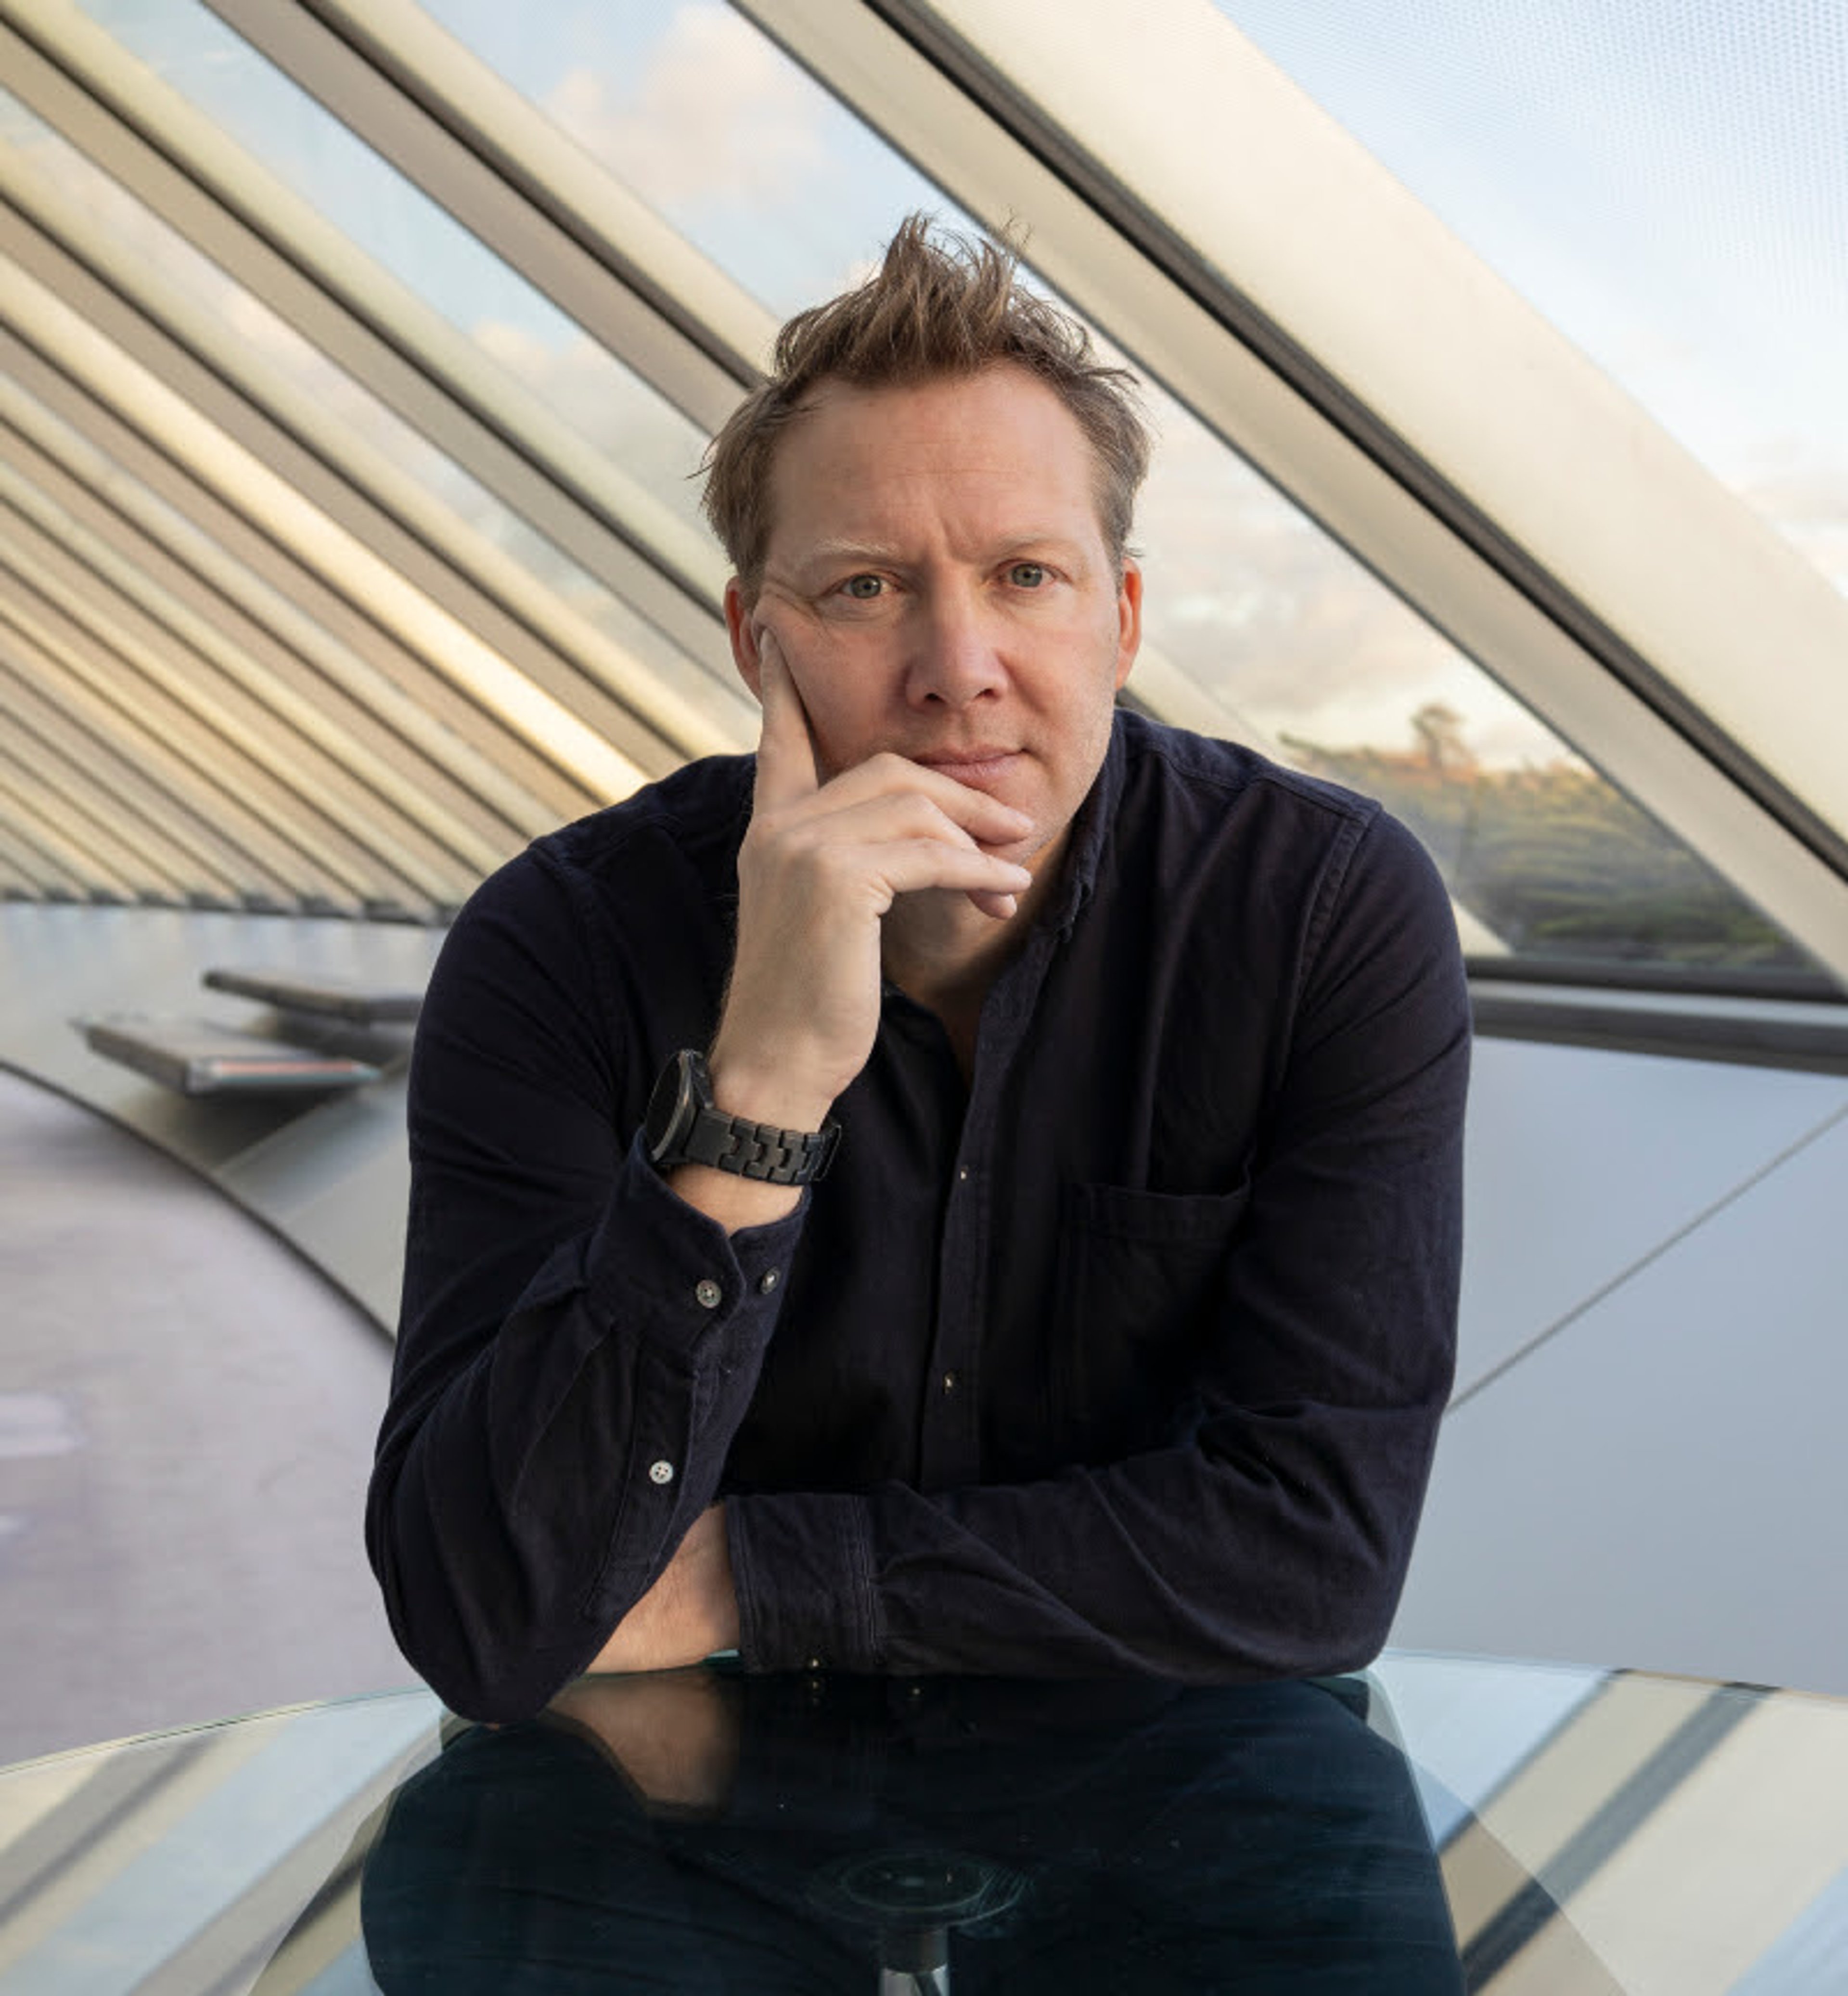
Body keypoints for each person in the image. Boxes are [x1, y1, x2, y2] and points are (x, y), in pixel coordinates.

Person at [366, 216, 1470, 1725]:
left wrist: (752, 1575)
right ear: (760, 641)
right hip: (684, 1838)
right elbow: (483, 1610)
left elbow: (1314, 1562)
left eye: (1026, 575)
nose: (961, 663)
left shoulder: (1317, 914)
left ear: (1122, 621)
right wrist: (756, 1097)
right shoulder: (558, 946)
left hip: (1171, 1820)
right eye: (869, 588)